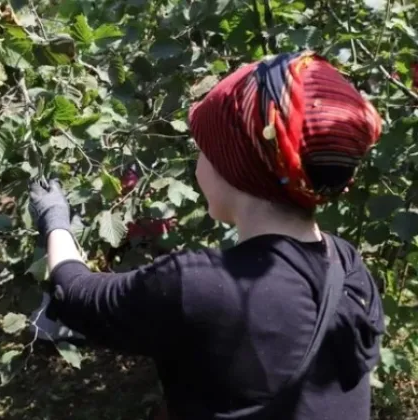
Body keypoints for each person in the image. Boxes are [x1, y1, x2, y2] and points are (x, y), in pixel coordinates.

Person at [27, 51, 385, 419]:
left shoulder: (201, 287)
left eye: (204, 148)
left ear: (234, 167)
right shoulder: (349, 267)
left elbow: (76, 294)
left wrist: (55, 218)